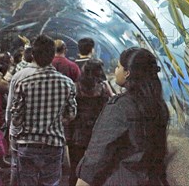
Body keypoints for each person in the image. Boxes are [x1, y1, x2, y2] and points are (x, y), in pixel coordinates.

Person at [76, 47, 169, 186]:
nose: (115, 70)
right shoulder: (159, 106)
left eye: (119, 66)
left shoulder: (120, 106)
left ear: (127, 73)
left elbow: (99, 153)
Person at [10, 34, 77, 186]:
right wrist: (55, 119)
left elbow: (16, 118)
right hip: (53, 144)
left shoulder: (23, 83)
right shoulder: (67, 83)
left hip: (27, 144)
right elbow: (71, 114)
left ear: (33, 55)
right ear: (53, 55)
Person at [67, 59, 114, 186]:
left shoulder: (75, 86)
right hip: (97, 134)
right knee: (94, 169)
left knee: (75, 168)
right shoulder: (103, 88)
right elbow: (111, 106)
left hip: (76, 134)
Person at [6, 46, 39, 186]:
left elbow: (10, 106)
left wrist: (9, 126)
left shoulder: (18, 74)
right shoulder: (54, 76)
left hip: (19, 130)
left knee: (16, 165)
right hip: (41, 132)